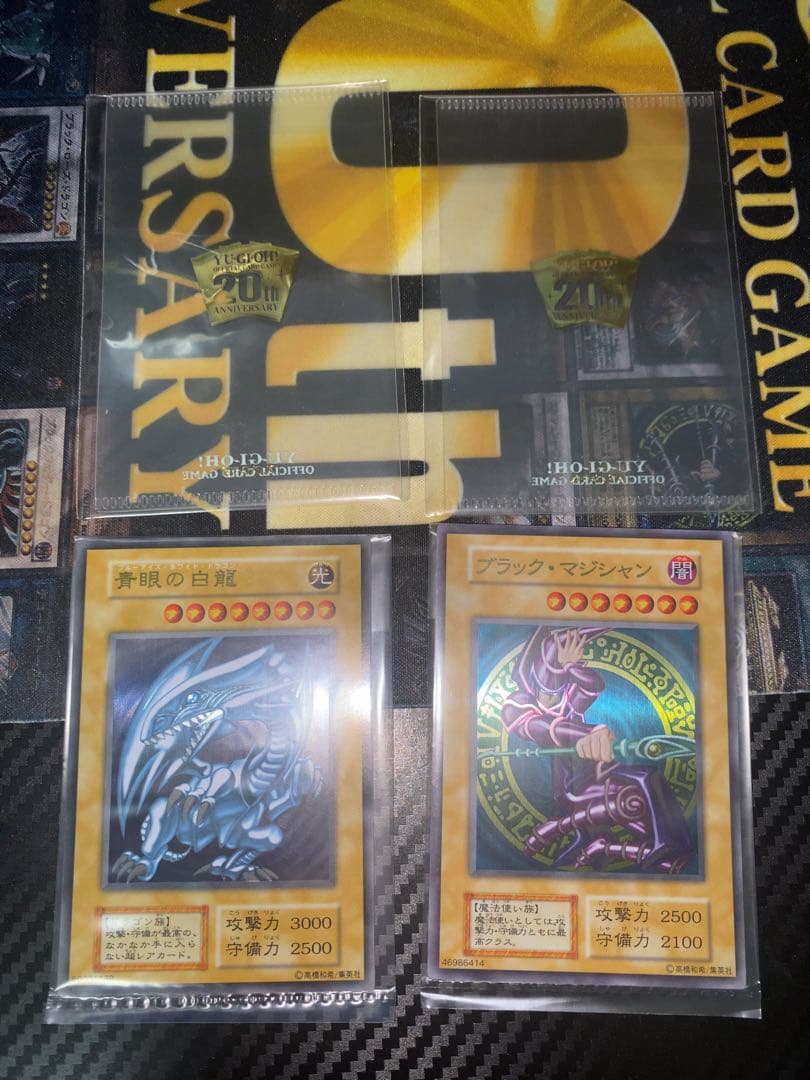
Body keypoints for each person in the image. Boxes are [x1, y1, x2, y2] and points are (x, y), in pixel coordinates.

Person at [502, 626, 692, 872]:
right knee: (642, 784)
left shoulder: (568, 698)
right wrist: (585, 734)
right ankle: (661, 845)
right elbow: (542, 729)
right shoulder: (517, 706)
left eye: (557, 691)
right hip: (572, 784)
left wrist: (571, 666)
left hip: (596, 770)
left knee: (644, 784)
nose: (552, 698)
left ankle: (657, 847)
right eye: (546, 691)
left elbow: (594, 686)